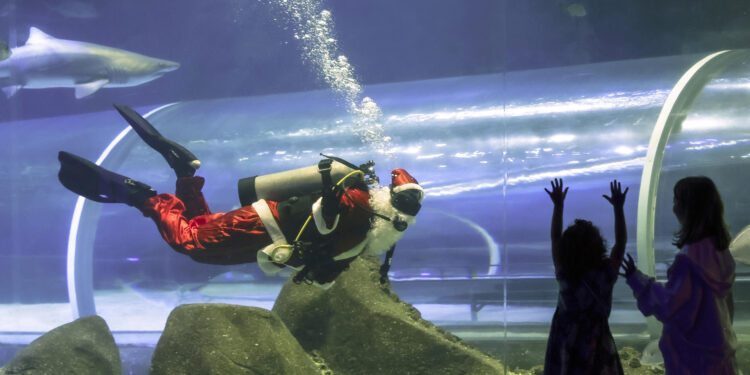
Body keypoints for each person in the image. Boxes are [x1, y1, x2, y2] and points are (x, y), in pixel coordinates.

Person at [58, 105, 423, 288]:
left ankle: (186, 174)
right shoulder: (360, 222)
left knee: (202, 232)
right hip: (264, 227)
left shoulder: (363, 211)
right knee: (193, 244)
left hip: (265, 231)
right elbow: (325, 228)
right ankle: (146, 198)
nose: (402, 225)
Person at [621, 176, 737, 374]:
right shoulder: (721, 253)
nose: (674, 207)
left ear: (689, 209)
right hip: (719, 352)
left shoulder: (687, 261)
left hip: (692, 359)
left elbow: (670, 306)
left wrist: (637, 280)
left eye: (677, 201)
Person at [544, 178, 627, 375]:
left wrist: (558, 206)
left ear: (565, 250)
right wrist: (618, 208)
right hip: (597, 345)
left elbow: (555, 237)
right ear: (599, 246)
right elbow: (621, 243)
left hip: (565, 344)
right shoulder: (605, 274)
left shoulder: (565, 274)